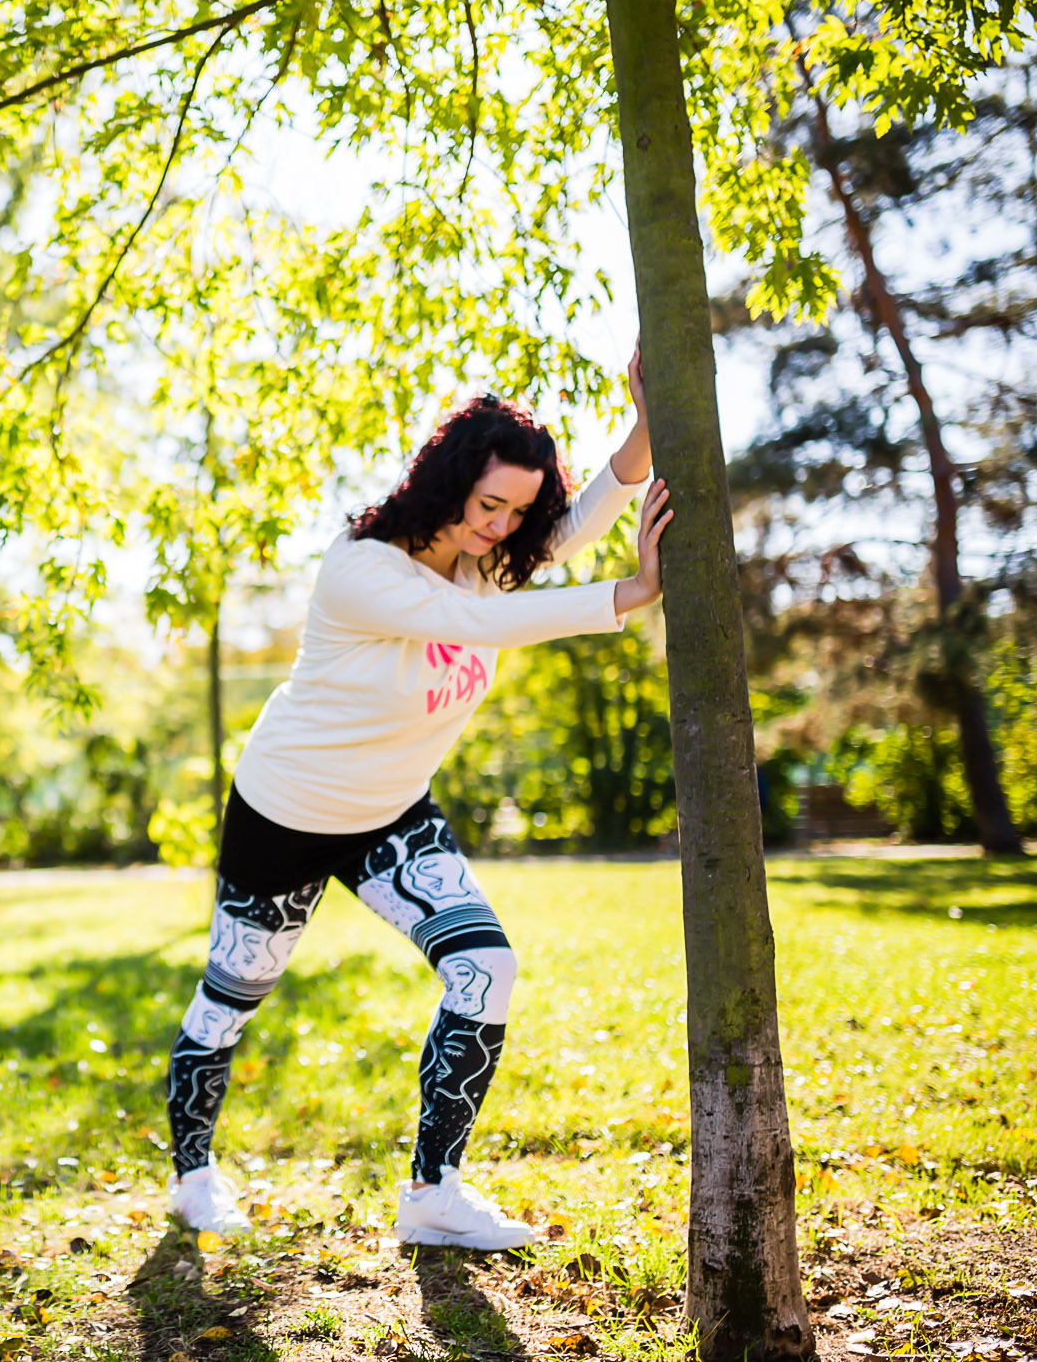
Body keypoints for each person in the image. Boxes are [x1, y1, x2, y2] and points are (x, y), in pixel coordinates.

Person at [163, 349, 670, 1250]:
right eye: (490, 505)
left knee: (488, 967)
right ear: (447, 484)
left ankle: (433, 1193)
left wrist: (644, 421)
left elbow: (578, 520)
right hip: (285, 814)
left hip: (391, 813)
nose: (504, 526)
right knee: (233, 995)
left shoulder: (484, 556)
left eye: (518, 510)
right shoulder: (363, 569)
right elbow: (472, 626)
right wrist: (629, 595)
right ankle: (193, 1175)